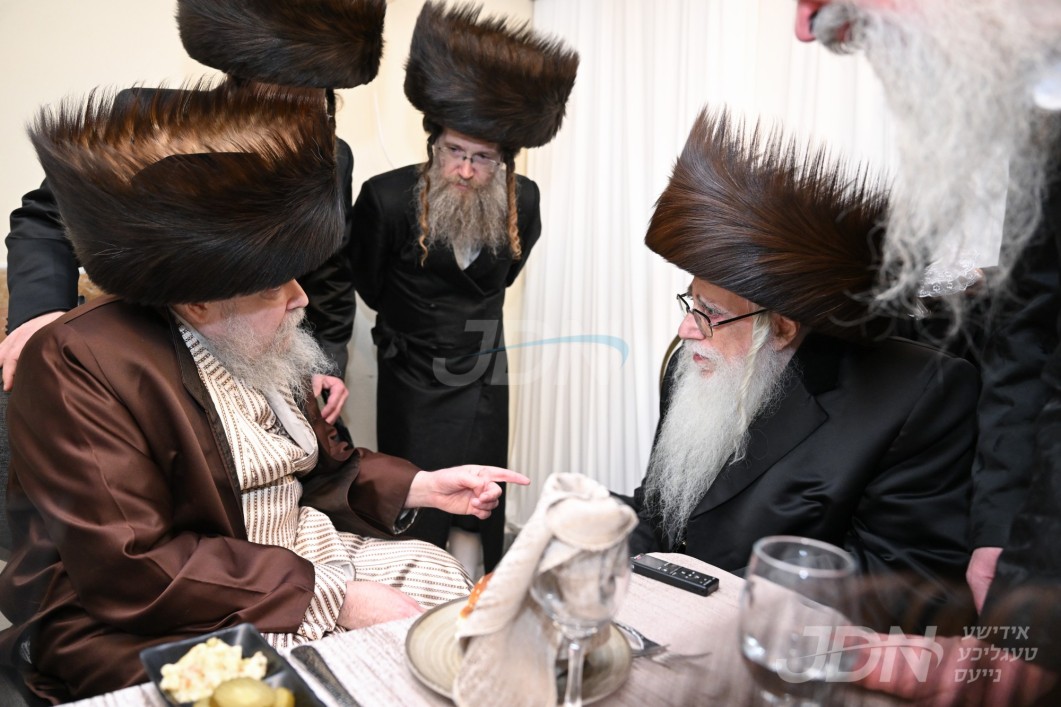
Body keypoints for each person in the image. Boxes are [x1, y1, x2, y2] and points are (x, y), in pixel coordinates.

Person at [0, 79, 528, 703]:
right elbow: (135, 566)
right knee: (302, 681)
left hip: (283, 549)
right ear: (198, 300)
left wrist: (422, 486)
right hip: (150, 603)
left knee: (441, 579)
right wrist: (340, 598)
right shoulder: (81, 361)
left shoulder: (261, 344)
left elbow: (324, 469)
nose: (301, 300)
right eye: (275, 287)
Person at [792, 0, 1061, 701]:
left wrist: (1041, 595)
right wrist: (997, 532)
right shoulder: (1043, 119)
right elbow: (1031, 332)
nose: (805, 26)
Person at [626, 108, 978, 634]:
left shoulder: (919, 396)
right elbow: (659, 513)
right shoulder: (692, 362)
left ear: (783, 328)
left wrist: (714, 605)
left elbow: (906, 584)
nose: (686, 330)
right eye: (691, 302)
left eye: (711, 312)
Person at [0, 0, 385, 402]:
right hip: (151, 357)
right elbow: (45, 221)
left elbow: (328, 273)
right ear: (241, 75)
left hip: (262, 364)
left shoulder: (334, 157)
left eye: (310, 94)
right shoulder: (154, 126)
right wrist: (40, 315)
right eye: (279, 89)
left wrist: (324, 361)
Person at [343, 1, 578, 574]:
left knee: (482, 498)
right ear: (434, 142)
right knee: (420, 497)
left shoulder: (523, 201)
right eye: (454, 152)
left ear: (504, 161)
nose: (467, 170)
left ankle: (478, 584)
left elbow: (502, 278)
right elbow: (369, 284)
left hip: (486, 369)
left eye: (483, 159)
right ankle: (419, 584)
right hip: (413, 373)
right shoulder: (386, 198)